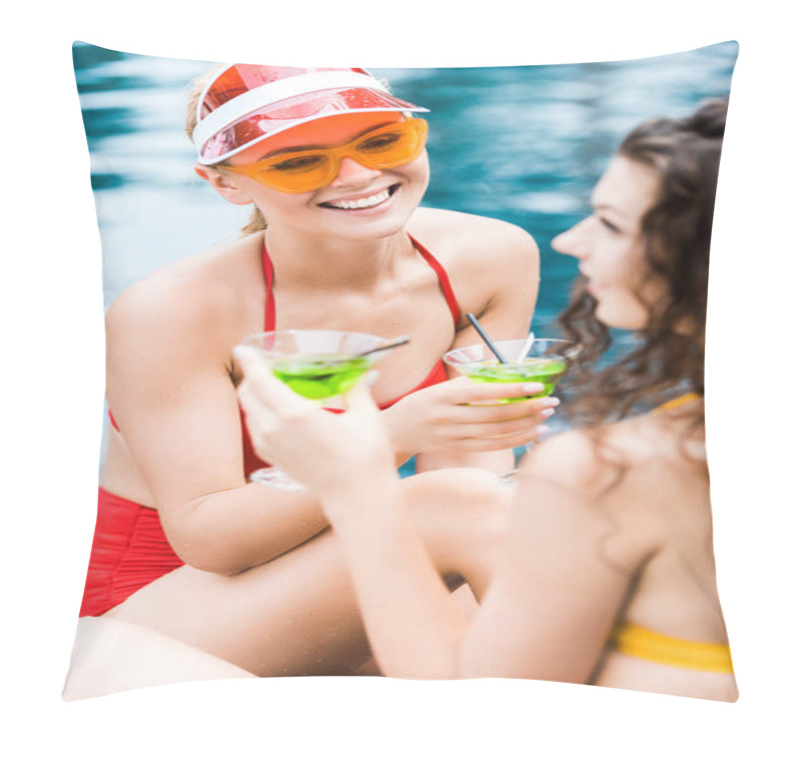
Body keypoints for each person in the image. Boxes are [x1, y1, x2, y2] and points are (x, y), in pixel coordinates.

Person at [234, 98, 738, 701]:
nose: (570, 240)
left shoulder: (615, 471)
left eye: (609, 222)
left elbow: (482, 708)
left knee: (124, 655)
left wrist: (357, 485)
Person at [72, 64, 549, 680]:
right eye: (298, 162)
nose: (359, 176)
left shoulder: (492, 257)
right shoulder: (173, 312)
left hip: (341, 559)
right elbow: (212, 541)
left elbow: (472, 477)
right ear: (226, 185)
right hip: (163, 601)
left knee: (550, 535)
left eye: (382, 142)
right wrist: (390, 434)